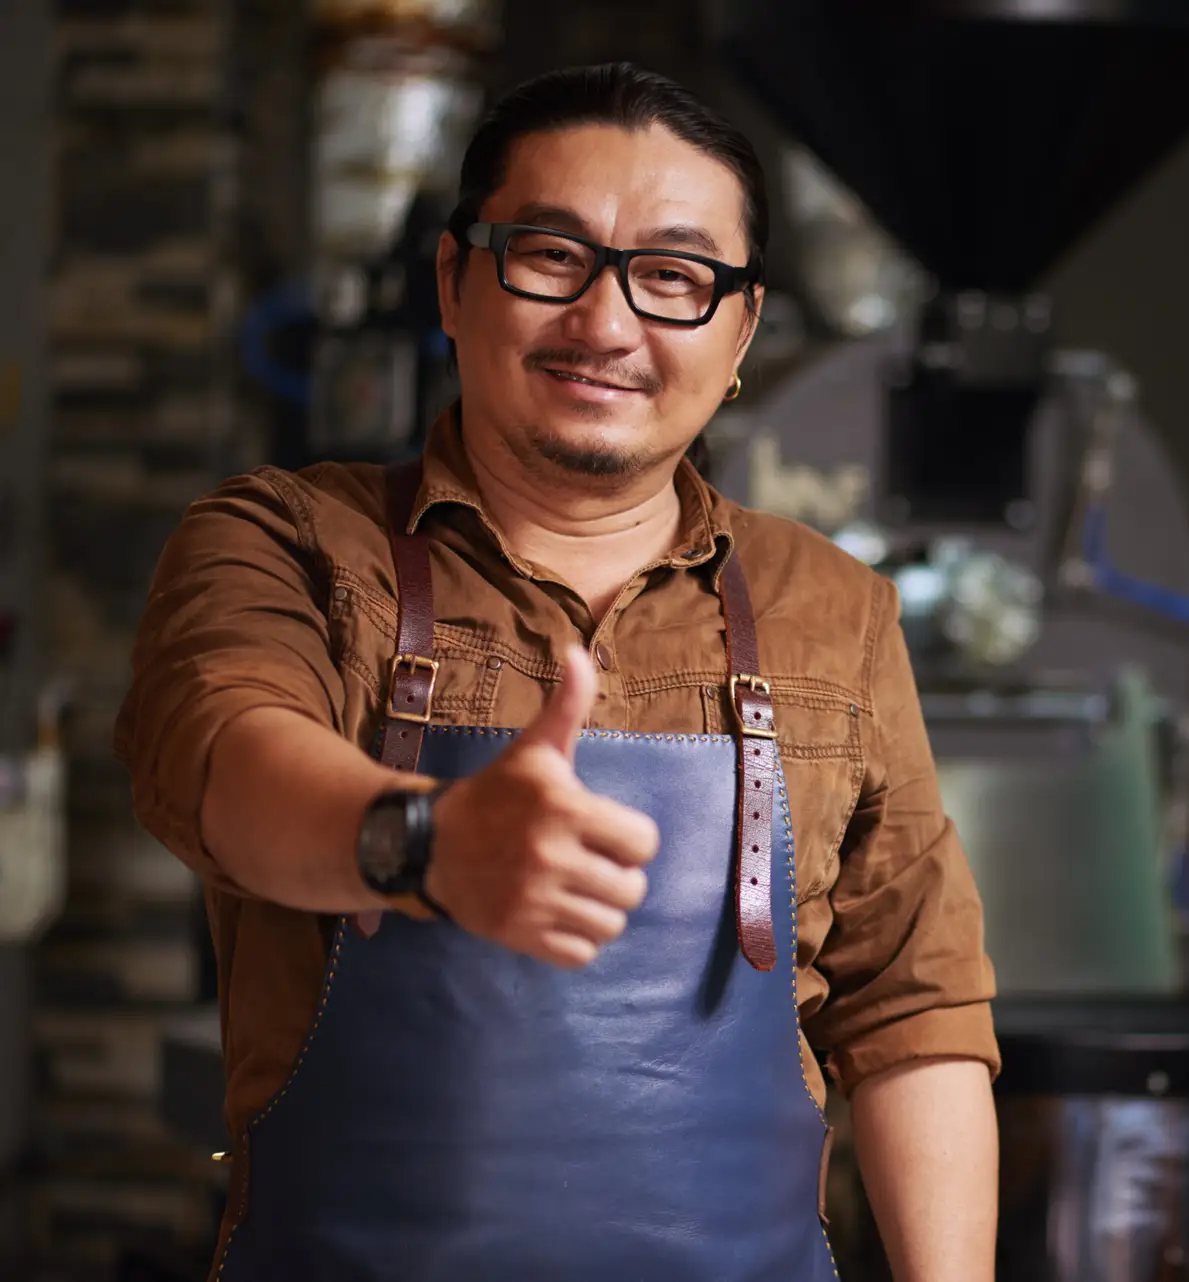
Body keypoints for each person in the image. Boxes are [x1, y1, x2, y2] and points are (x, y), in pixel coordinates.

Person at [115, 62, 999, 1282]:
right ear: (453, 280)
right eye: (549, 255)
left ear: (739, 330)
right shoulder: (289, 540)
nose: (606, 323)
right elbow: (224, 758)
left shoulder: (834, 611)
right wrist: (422, 845)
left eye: (675, 278)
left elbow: (914, 1016)